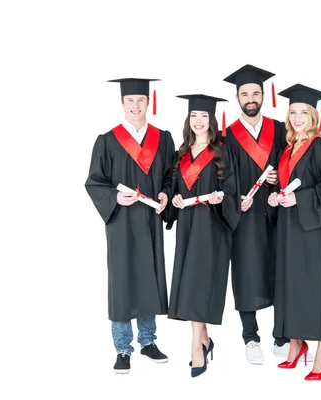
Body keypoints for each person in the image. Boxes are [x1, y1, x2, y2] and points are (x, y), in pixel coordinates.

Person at [84, 77, 175, 374]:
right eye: (130, 101)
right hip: (121, 222)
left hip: (149, 220)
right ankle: (123, 348)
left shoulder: (163, 138)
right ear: (122, 103)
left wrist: (165, 193)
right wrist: (114, 197)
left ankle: (148, 342)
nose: (136, 106)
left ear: (149, 102)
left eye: (141, 100)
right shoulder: (108, 140)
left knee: (148, 277)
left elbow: (170, 177)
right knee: (123, 281)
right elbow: (95, 181)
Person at [268, 83, 321, 381]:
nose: (297, 117)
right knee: (292, 286)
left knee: (318, 288)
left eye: (303, 112)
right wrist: (275, 196)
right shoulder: (288, 148)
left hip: (316, 232)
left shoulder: (319, 147)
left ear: (314, 116)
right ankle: (297, 345)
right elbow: (285, 185)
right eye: (293, 112)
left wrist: (298, 198)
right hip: (291, 230)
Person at [222, 64, 295, 364]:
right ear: (237, 97)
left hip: (277, 215)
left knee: (281, 272)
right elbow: (222, 178)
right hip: (246, 217)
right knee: (246, 272)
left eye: (255, 93)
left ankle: (283, 335)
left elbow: (292, 164)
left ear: (264, 95)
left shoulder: (280, 129)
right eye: (244, 94)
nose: (250, 98)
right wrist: (234, 199)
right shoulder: (227, 136)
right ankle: (250, 337)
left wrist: (282, 179)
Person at [166, 94, 241, 378]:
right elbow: (176, 190)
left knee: (198, 283)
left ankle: (196, 347)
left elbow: (231, 189)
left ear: (212, 120)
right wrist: (173, 200)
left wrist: (220, 196)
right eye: (194, 116)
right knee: (188, 283)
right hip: (187, 224)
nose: (199, 122)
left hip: (211, 226)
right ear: (188, 120)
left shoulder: (222, 151)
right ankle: (205, 340)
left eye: (204, 117)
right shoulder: (181, 153)